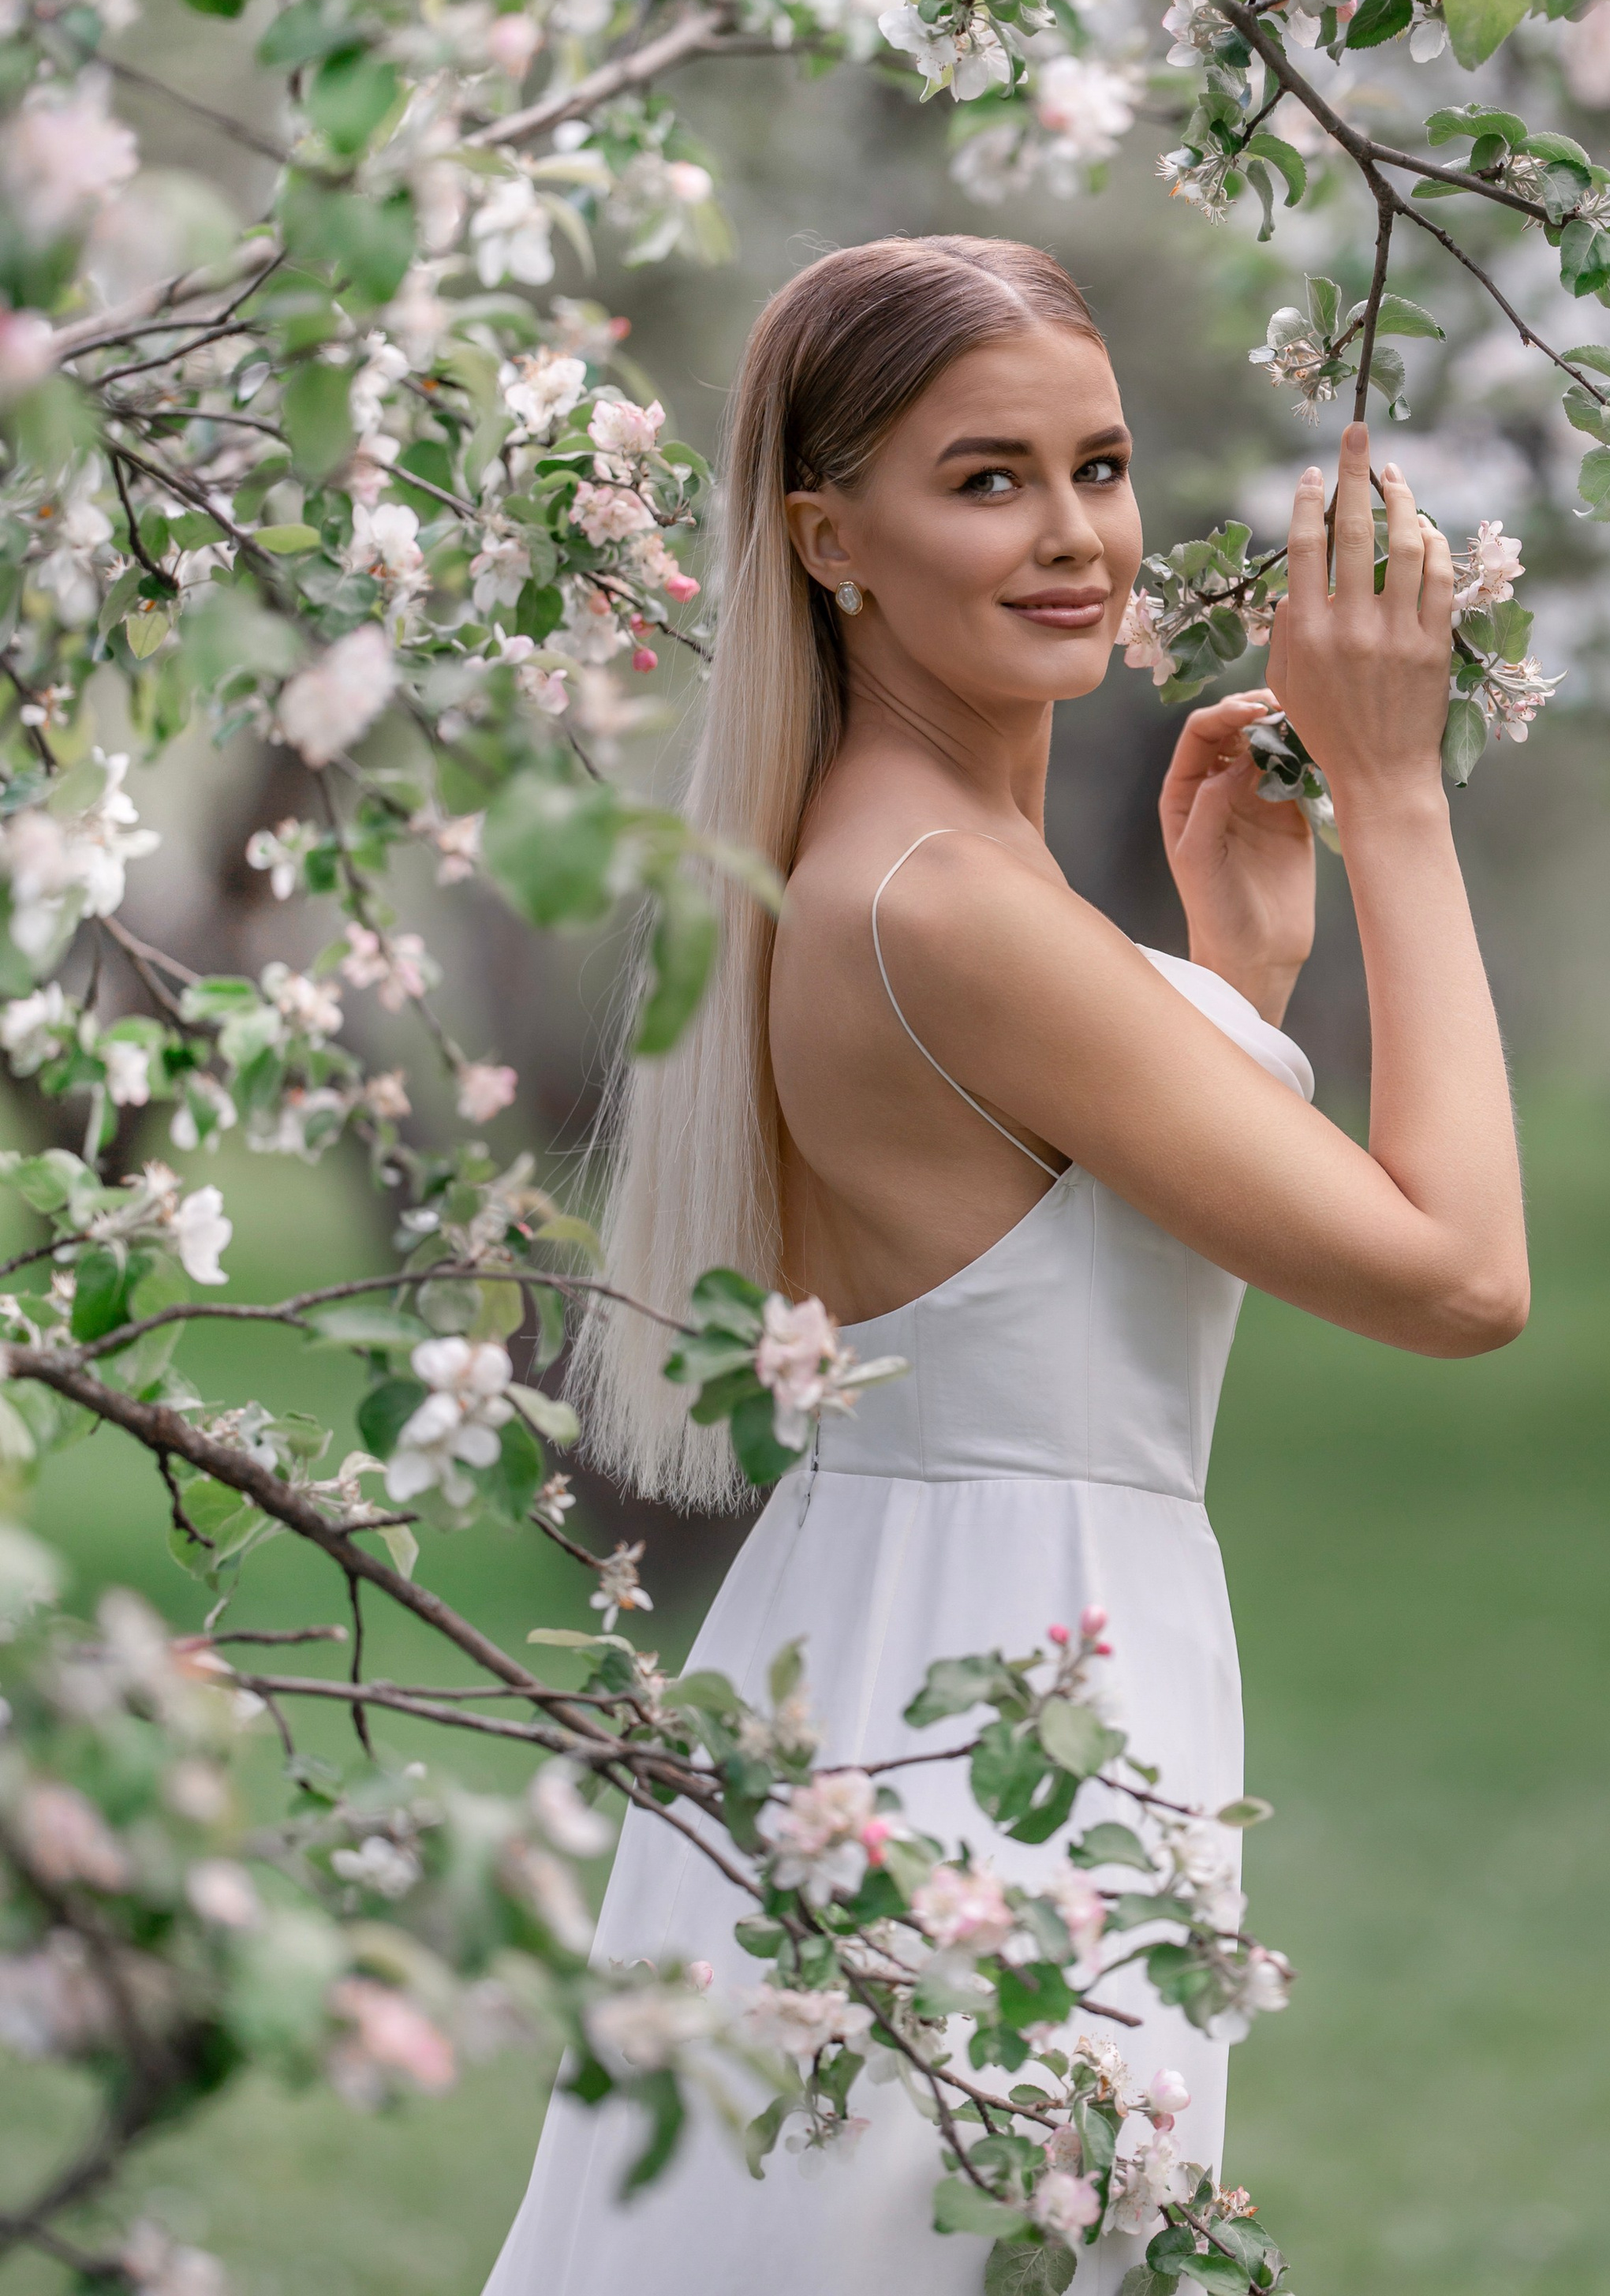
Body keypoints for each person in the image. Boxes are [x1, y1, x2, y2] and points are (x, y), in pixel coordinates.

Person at [484, 234, 1528, 2294]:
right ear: (829, 535)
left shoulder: (878, 853)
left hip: (920, 1635)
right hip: (1001, 1698)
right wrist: (1399, 797)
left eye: (1102, 464)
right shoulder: (948, 899)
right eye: (987, 478)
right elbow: (1464, 1273)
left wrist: (1230, 992)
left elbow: (1031, 1267)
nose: (1077, 537)